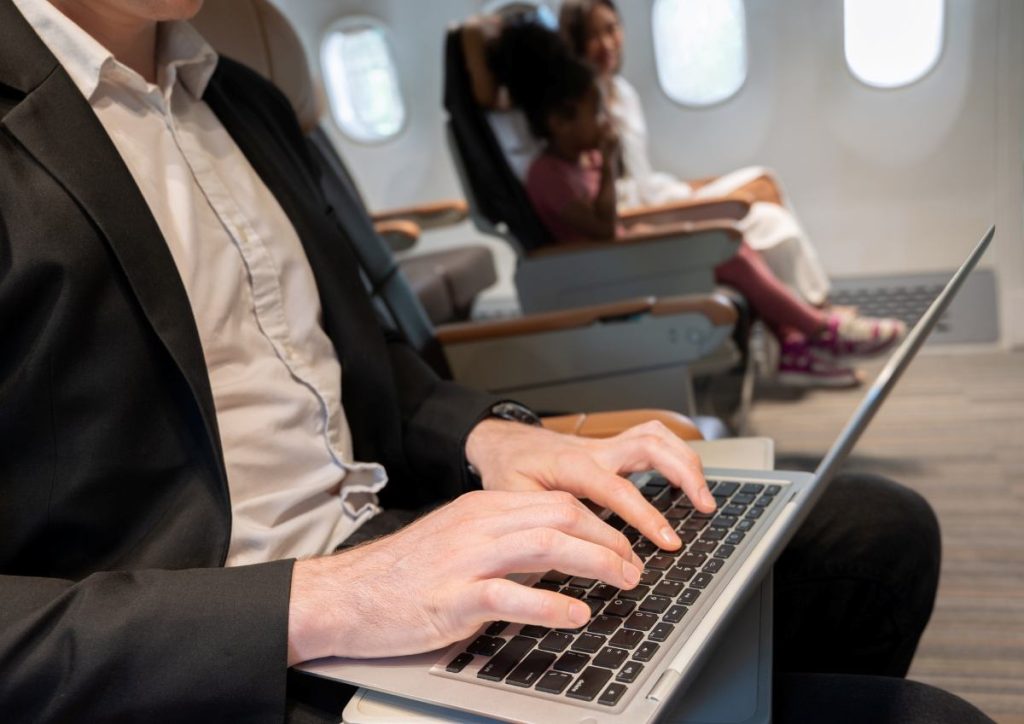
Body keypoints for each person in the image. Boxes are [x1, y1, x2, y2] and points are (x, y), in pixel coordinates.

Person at [0, 1, 991, 722]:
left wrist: (492, 438)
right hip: (220, 645)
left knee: (874, 534)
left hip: (389, 535)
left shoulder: (241, 101)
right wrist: (332, 597)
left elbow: (363, 365)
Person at [491, 21, 904, 389]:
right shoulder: (547, 174)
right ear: (559, 122)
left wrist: (607, 174)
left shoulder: (579, 161)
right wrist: (610, 167)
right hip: (603, 270)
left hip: (621, 253)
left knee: (735, 243)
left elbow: (608, 223)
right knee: (730, 255)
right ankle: (820, 329)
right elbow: (600, 228)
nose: (603, 124)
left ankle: (798, 339)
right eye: (594, 114)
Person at [558, 0, 836, 310]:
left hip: (655, 192)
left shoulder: (623, 92)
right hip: (638, 207)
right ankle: (816, 312)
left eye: (611, 29)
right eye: (592, 35)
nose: (606, 44)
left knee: (765, 181)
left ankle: (816, 310)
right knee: (773, 222)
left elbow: (639, 171)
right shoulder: (582, 110)